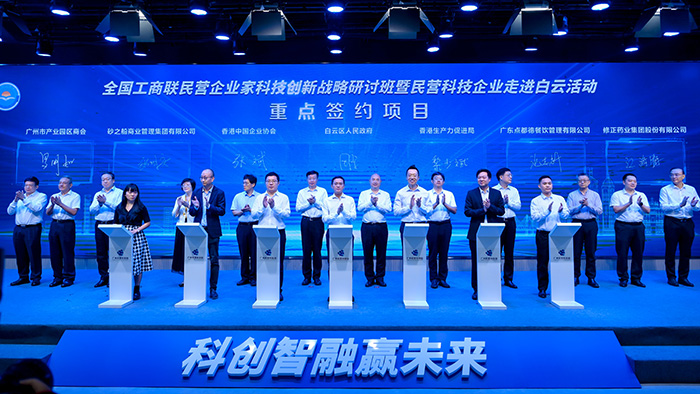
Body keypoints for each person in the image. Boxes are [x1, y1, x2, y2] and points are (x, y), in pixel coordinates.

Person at [464, 169, 505, 300]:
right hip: (476, 233)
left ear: (489, 179)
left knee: (492, 260)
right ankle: (476, 289)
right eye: (479, 178)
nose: (481, 179)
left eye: (483, 177)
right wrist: (483, 210)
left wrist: (490, 207)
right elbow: (467, 211)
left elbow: (501, 211)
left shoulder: (496, 193)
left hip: (493, 232)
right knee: (476, 262)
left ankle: (492, 286)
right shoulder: (471, 193)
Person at [251, 172, 290, 301]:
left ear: (278, 183)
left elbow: (286, 214)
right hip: (262, 232)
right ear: (265, 183)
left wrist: (274, 207)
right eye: (268, 181)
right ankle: (263, 288)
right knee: (262, 261)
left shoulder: (283, 197)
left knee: (278, 262)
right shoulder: (259, 197)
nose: (271, 183)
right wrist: (263, 207)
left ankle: (278, 289)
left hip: (278, 232)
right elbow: (254, 215)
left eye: (274, 181)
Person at [188, 169, 226, 300]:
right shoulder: (197, 192)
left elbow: (222, 211)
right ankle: (197, 286)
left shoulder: (219, 193)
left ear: (212, 179)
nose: (203, 180)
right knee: (196, 258)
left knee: (214, 260)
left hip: (213, 231)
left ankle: (213, 288)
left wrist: (209, 206)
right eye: (201, 177)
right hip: (198, 230)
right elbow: (192, 212)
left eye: (206, 177)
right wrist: (197, 207)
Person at [531, 175, 570, 298]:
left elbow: (566, 216)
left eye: (549, 183)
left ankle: (560, 287)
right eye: (544, 183)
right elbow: (535, 218)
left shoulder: (560, 198)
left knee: (560, 261)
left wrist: (561, 211)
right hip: (543, 234)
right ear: (539, 186)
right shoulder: (535, 201)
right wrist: (547, 211)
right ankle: (542, 288)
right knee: (543, 262)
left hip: (558, 234)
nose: (547, 185)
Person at [659, 167, 698, 287]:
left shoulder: (691, 189)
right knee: (671, 250)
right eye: (672, 175)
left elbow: (698, 206)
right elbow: (663, 207)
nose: (674, 177)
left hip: (687, 222)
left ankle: (683, 277)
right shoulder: (665, 190)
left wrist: (693, 205)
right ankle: (671, 277)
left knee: (686, 251)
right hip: (672, 222)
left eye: (677, 175)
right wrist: (679, 205)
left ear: (683, 176)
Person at [113, 183, 152, 301]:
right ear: (125, 193)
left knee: (136, 263)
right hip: (122, 236)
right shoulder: (119, 207)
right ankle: (122, 286)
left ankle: (136, 288)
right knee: (121, 260)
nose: (132, 194)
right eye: (129, 192)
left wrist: (137, 230)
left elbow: (147, 222)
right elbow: (115, 223)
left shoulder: (141, 207)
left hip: (136, 236)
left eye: (134, 192)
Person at [611, 173, 650, 288]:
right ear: (624, 182)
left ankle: (636, 278)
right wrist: (629, 203)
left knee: (638, 253)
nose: (633, 183)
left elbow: (647, 210)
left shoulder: (641, 195)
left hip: (638, 226)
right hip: (623, 226)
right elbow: (616, 209)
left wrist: (640, 204)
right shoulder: (617, 194)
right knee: (622, 253)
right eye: (630, 181)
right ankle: (623, 278)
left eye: (635, 181)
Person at [7, 176, 47, 286]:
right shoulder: (20, 196)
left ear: (36, 186)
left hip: (32, 228)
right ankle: (23, 276)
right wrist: (16, 200)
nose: (27, 187)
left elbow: (37, 208)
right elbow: (9, 212)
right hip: (19, 228)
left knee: (33, 253)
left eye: (30, 185)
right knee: (20, 253)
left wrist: (24, 199)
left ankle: (36, 277)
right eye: (26, 185)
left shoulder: (41, 196)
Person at [566, 173, 603, 288]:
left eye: (584, 180)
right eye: (580, 181)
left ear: (589, 182)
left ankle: (591, 277)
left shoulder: (595, 195)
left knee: (591, 251)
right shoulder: (572, 195)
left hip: (591, 224)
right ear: (577, 182)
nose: (582, 182)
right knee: (575, 252)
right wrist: (580, 207)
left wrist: (588, 205)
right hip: (576, 224)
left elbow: (599, 211)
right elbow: (568, 211)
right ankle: (575, 276)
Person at [45, 176, 80, 288]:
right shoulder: (54, 196)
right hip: (55, 224)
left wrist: (60, 204)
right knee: (54, 252)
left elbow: (74, 212)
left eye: (64, 183)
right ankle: (57, 277)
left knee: (67, 252)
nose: (61, 185)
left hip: (67, 225)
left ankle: (68, 277)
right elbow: (48, 213)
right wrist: (53, 204)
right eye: (60, 183)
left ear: (70, 185)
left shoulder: (75, 196)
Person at [357, 173, 392, 287]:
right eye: (373, 179)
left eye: (377, 180)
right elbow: (360, 208)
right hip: (367, 226)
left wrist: (377, 205)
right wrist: (370, 203)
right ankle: (370, 278)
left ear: (380, 182)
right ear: (369, 181)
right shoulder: (364, 194)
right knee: (367, 253)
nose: (375, 181)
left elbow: (388, 209)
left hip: (381, 226)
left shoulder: (385, 194)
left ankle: (380, 277)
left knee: (381, 253)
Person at [89, 171, 122, 288]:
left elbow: (119, 208)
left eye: (108, 179)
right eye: (103, 179)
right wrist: (99, 204)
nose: (105, 181)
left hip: (113, 223)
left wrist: (105, 202)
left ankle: (114, 277)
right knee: (101, 253)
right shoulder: (98, 194)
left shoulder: (120, 193)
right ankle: (104, 276)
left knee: (114, 252)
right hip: (99, 224)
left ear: (113, 180)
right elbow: (92, 210)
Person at [296, 170, 328, 286]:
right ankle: (306, 276)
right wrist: (309, 204)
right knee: (306, 250)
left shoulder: (322, 191)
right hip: (305, 222)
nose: (312, 180)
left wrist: (315, 202)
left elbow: (325, 207)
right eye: (310, 178)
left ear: (317, 179)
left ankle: (317, 276)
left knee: (317, 250)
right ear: (307, 179)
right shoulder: (302, 192)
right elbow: (298, 208)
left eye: (314, 178)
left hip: (318, 222)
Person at [426, 172, 457, 289]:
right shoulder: (427, 194)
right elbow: (425, 211)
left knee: (444, 252)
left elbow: (454, 210)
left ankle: (443, 278)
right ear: (432, 181)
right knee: (433, 253)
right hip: (432, 225)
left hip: (445, 225)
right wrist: (435, 204)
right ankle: (433, 278)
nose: (438, 181)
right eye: (436, 179)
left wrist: (444, 204)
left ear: (443, 181)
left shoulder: (449, 194)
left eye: (440, 179)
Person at [231, 174, 260, 286]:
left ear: (253, 184)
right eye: (243, 183)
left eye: (246, 183)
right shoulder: (238, 196)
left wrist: (251, 210)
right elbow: (234, 212)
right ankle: (244, 277)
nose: (244, 185)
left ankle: (253, 277)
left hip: (255, 226)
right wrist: (243, 211)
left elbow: (260, 212)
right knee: (243, 253)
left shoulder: (259, 197)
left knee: (254, 252)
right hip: (242, 226)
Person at [493, 167, 520, 289]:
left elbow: (518, 207)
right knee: (496, 251)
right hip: (497, 221)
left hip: (510, 222)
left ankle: (508, 279)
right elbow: (491, 208)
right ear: (500, 177)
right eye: (508, 175)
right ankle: (495, 277)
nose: (511, 177)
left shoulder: (514, 190)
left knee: (509, 251)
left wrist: (508, 203)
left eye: (511, 175)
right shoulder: (493, 190)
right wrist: (501, 203)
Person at [322, 175, 357, 258]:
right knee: (333, 258)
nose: (338, 185)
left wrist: (343, 211)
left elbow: (353, 217)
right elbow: (325, 219)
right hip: (332, 232)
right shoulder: (327, 201)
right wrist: (337, 213)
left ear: (344, 186)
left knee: (347, 258)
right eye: (336, 184)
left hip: (347, 232)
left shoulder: (350, 199)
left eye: (340, 184)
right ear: (332, 186)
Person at [394, 165, 431, 240]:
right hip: (406, 224)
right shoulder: (400, 193)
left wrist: (420, 206)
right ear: (406, 177)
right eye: (409, 175)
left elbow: (429, 211)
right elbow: (396, 212)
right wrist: (409, 207)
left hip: (421, 225)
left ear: (418, 177)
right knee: (406, 251)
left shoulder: (425, 192)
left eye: (414, 175)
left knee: (420, 251)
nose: (412, 177)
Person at [171, 178, 196, 284]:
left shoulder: (196, 197)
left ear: (192, 186)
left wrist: (188, 205)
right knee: (182, 252)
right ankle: (185, 278)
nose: (185, 187)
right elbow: (173, 215)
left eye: (187, 185)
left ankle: (194, 276)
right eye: (183, 185)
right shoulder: (179, 198)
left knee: (192, 252)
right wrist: (179, 206)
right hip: (181, 227)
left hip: (193, 227)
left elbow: (197, 211)